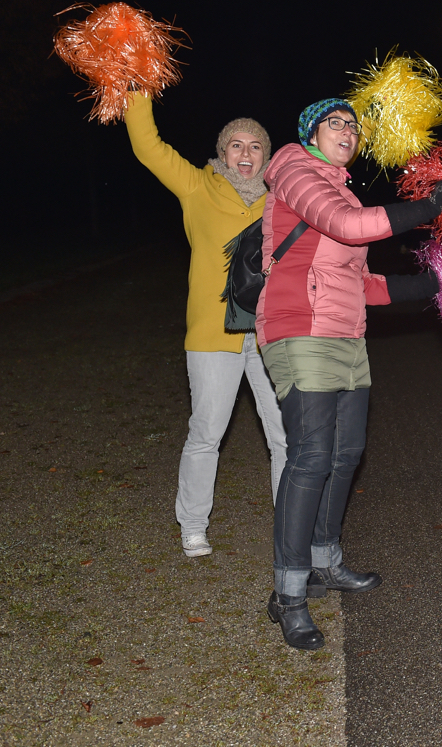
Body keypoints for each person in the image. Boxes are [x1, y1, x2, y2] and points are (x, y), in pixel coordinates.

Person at [258, 99, 442, 649]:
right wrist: (424, 209)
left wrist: (431, 287)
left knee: (345, 454)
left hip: (347, 334)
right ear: (310, 131)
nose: (349, 130)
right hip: (299, 328)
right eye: (336, 123)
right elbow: (346, 226)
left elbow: (361, 282)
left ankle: (325, 563)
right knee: (311, 457)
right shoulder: (293, 168)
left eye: (354, 126)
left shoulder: (346, 191)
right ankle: (289, 596)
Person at [124, 91, 286, 558]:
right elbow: (148, 147)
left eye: (255, 146)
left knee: (285, 437)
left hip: (271, 335)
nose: (245, 153)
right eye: (236, 145)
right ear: (221, 152)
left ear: (266, 156)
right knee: (206, 433)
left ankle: (289, 527)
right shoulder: (196, 187)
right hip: (213, 336)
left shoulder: (282, 201)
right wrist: (136, 91)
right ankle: (193, 524)